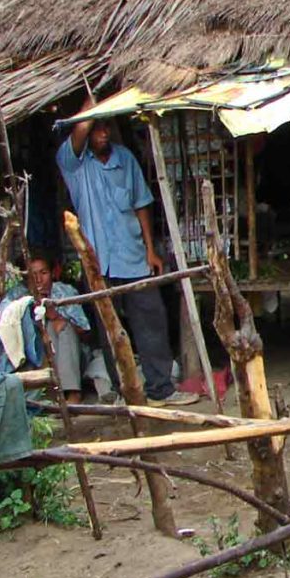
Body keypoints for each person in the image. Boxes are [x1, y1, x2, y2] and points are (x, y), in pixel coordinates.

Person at [57, 112, 198, 406]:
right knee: (111, 331)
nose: (103, 133)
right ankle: (126, 392)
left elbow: (141, 204)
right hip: (98, 264)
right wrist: (92, 99)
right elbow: (81, 126)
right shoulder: (74, 165)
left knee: (152, 319)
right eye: (96, 128)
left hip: (133, 256)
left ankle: (160, 390)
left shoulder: (125, 160)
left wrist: (150, 249)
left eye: (106, 126)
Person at [0, 253, 112, 404]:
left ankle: (72, 392)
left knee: (61, 326)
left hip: (70, 358)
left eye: (44, 273)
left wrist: (56, 316)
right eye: (33, 275)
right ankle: (49, 388)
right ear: (25, 277)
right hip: (34, 357)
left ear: (53, 273)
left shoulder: (65, 292)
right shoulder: (17, 295)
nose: (39, 279)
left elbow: (85, 333)